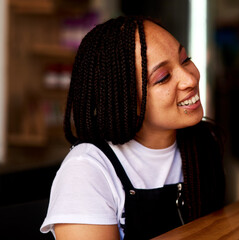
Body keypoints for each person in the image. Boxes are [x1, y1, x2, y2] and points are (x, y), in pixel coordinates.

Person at [40, 16, 225, 240]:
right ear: (123, 99)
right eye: (163, 77)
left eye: (185, 60)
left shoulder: (202, 143)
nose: (189, 78)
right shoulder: (88, 172)